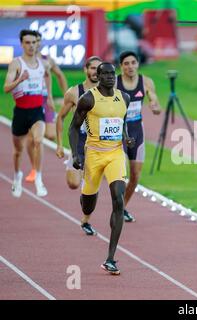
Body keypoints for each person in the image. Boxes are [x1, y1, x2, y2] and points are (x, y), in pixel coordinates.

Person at [69, 62, 134, 274]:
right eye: (105, 74)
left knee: (118, 198)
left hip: (115, 154)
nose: (109, 77)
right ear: (98, 76)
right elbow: (73, 127)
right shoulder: (88, 98)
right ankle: (86, 207)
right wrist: (75, 154)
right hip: (94, 154)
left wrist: (125, 138)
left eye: (112, 74)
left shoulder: (124, 97)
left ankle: (111, 258)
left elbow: (121, 121)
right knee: (88, 204)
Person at [3, 29, 53, 198]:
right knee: (18, 150)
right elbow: (6, 88)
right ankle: (17, 176)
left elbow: (48, 76)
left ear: (37, 43)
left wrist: (50, 97)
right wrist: (20, 80)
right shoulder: (16, 64)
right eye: (28, 43)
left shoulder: (43, 63)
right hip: (21, 113)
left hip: (37, 111)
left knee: (39, 141)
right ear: (22, 44)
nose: (31, 46)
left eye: (34, 42)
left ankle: (38, 177)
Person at [56, 56, 102, 235]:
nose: (95, 72)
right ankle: (83, 185)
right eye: (92, 68)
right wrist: (59, 145)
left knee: (91, 186)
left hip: (97, 145)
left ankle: (86, 220)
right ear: (86, 69)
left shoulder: (108, 92)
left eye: (99, 69)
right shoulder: (74, 92)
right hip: (79, 142)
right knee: (73, 184)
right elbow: (61, 117)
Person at [117, 51, 161, 223]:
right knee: (121, 174)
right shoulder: (114, 84)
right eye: (126, 63)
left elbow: (154, 100)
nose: (130, 66)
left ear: (137, 64)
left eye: (133, 63)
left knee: (135, 175)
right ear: (121, 66)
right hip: (119, 132)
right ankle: (117, 206)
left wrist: (155, 105)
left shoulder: (146, 82)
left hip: (137, 130)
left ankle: (122, 207)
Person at [24, 30, 68, 183]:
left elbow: (60, 76)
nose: (34, 44)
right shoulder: (22, 61)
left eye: (37, 41)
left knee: (50, 135)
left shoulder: (47, 60)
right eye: (31, 41)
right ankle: (35, 169)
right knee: (33, 139)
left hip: (45, 101)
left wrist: (65, 96)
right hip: (31, 102)